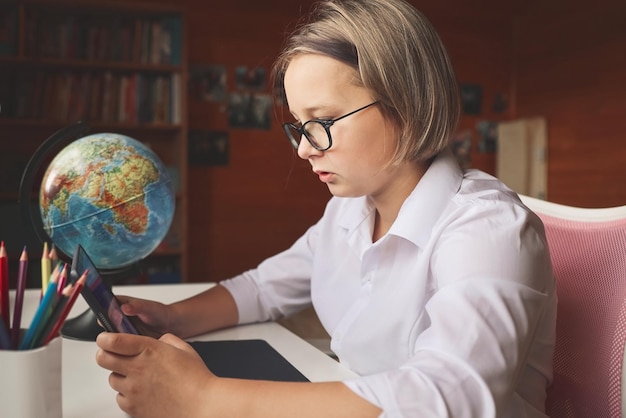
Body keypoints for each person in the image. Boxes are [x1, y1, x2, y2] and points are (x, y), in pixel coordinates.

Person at [95, 0, 557, 416]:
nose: (304, 150)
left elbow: (450, 396)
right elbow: (263, 288)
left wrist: (207, 399)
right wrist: (174, 318)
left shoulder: (488, 228)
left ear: (408, 105)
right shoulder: (350, 211)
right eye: (299, 127)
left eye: (322, 122)